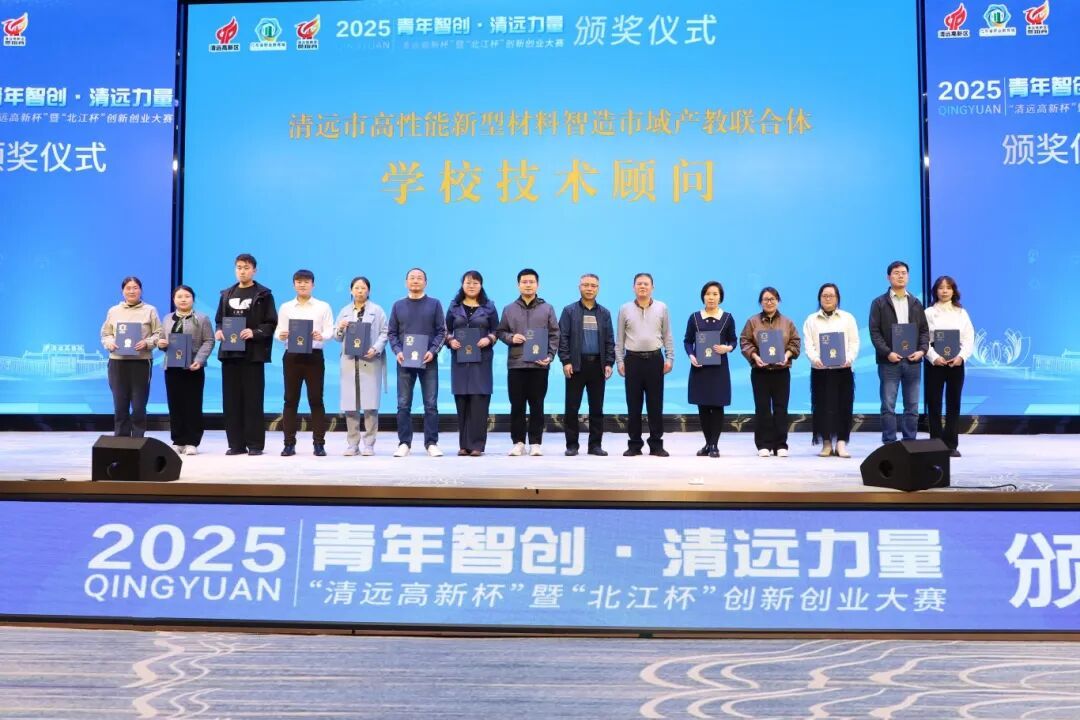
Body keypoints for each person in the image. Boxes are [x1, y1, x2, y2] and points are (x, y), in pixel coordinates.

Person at [215, 253, 278, 456]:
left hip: (253, 354)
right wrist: (219, 331)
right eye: (239, 267)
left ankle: (255, 444)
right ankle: (236, 444)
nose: (242, 271)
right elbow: (219, 320)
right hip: (230, 353)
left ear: (254, 270)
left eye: (246, 268)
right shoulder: (226, 294)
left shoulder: (264, 294)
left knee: (253, 400)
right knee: (231, 401)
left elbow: (271, 323)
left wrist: (255, 332)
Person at [497, 268, 559, 456]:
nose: (528, 285)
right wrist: (511, 337)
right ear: (518, 285)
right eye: (524, 282)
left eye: (531, 282)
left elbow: (555, 334)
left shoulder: (547, 308)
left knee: (537, 405)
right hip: (516, 365)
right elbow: (500, 332)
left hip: (539, 365)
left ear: (537, 285)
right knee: (517, 405)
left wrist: (550, 355)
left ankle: (535, 443)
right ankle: (518, 443)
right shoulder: (509, 309)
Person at [275, 269, 335, 457]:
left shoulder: (323, 306)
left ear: (313, 285)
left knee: (316, 400)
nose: (302, 285)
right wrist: (281, 335)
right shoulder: (286, 307)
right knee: (290, 400)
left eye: (306, 282)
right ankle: (288, 444)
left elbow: (330, 331)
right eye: (299, 281)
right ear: (294, 285)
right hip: (292, 356)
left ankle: (319, 444)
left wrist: (321, 335)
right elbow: (278, 330)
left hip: (314, 356)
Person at [387, 268, 446, 457]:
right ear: (406, 282)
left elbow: (442, 331)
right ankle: (404, 443)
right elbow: (391, 333)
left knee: (431, 404)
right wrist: (397, 351)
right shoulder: (398, 305)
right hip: (404, 361)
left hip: (428, 360)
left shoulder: (434, 304)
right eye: (412, 278)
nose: (415, 281)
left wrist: (432, 351)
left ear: (425, 283)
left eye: (419, 278)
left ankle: (431, 443)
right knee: (403, 404)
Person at [868, 260, 929, 443]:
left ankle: (910, 442)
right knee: (888, 405)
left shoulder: (916, 303)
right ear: (888, 277)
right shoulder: (879, 303)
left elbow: (924, 331)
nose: (900, 276)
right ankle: (889, 442)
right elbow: (874, 332)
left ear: (908, 277)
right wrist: (888, 352)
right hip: (889, 362)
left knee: (912, 406)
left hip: (913, 361)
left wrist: (922, 351)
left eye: (903, 273)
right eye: (896, 273)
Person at [615, 273, 675, 457]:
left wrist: (670, 358)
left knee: (655, 405)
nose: (642, 286)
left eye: (646, 284)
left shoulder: (662, 307)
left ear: (652, 287)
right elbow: (620, 338)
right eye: (639, 284)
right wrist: (620, 361)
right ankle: (634, 445)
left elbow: (667, 335)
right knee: (633, 405)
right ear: (633, 287)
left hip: (655, 360)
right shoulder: (624, 308)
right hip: (632, 361)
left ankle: (656, 445)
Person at [739, 287, 801, 457]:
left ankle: (781, 444)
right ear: (761, 302)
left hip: (782, 372)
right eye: (766, 299)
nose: (769, 302)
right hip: (760, 372)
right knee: (762, 408)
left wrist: (787, 355)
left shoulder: (787, 322)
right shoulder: (752, 322)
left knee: (781, 408)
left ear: (778, 301)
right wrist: (755, 356)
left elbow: (795, 342)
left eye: (772, 299)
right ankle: (763, 445)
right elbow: (745, 341)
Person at [558, 273, 615, 456]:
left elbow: (609, 340)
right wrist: (566, 360)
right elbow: (563, 337)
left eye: (593, 285)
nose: (589, 288)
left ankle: (595, 445)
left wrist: (609, 362)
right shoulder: (569, 311)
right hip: (576, 365)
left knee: (597, 408)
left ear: (598, 288)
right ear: (579, 287)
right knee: (572, 408)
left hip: (598, 365)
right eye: (586, 285)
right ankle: (572, 445)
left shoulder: (604, 313)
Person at [802, 283, 859, 459]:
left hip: (843, 370)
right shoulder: (811, 320)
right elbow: (808, 344)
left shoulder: (847, 318)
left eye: (831, 296)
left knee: (844, 406)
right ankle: (826, 443)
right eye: (824, 296)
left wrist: (849, 358)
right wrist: (815, 359)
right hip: (821, 370)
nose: (828, 299)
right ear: (819, 298)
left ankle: (841, 443)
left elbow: (854, 342)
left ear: (837, 298)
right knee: (822, 407)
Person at [100, 276, 162, 438]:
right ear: (123, 291)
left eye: (135, 288)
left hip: (141, 362)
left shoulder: (150, 310)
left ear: (141, 290)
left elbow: (159, 333)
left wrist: (147, 342)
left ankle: (138, 440)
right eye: (128, 288)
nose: (132, 291)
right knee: (120, 405)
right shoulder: (114, 311)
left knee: (139, 405)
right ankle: (121, 440)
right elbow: (106, 334)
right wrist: (110, 343)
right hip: (117, 362)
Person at [446, 270, 499, 456]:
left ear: (481, 285)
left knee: (479, 402)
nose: (471, 286)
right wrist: (450, 340)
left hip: (481, 361)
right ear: (462, 285)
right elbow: (445, 330)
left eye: (475, 283)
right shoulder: (454, 307)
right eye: (468, 282)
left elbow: (497, 330)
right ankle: (464, 445)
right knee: (462, 402)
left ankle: (477, 445)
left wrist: (489, 339)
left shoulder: (489, 307)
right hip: (460, 361)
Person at [334, 276, 388, 456]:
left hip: (370, 360)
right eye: (356, 288)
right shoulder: (344, 311)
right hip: (349, 362)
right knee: (350, 405)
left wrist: (376, 348)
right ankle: (353, 444)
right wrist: (340, 327)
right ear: (351, 290)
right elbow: (336, 337)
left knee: (370, 405)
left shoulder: (377, 311)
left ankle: (369, 444)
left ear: (368, 291)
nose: (360, 291)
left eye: (363, 288)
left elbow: (385, 332)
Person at [157, 285, 214, 455]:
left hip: (193, 367)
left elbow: (209, 340)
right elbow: (162, 339)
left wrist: (199, 360)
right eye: (179, 296)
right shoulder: (167, 318)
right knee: (175, 404)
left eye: (187, 296)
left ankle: (192, 441)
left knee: (193, 404)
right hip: (172, 367)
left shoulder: (202, 318)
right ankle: (178, 440)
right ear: (174, 299)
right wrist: (161, 344)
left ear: (193, 299)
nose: (183, 299)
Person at [684, 281, 737, 458]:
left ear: (720, 297)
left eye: (715, 294)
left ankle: (714, 444)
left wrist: (727, 348)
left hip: (719, 369)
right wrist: (691, 355)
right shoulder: (694, 317)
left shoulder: (727, 318)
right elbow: (687, 341)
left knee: (717, 405)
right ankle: (708, 443)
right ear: (703, 297)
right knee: (703, 406)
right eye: (708, 294)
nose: (711, 297)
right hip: (700, 369)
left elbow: (733, 340)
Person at [924, 275, 974, 457]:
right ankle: (935, 444)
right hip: (935, 363)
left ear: (954, 291)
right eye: (941, 287)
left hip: (956, 362)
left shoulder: (961, 313)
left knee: (954, 403)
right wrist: (934, 357)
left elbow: (969, 338)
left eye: (948, 288)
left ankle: (951, 444)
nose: (944, 291)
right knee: (934, 403)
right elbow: (923, 339)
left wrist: (961, 357)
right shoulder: (929, 312)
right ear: (935, 291)